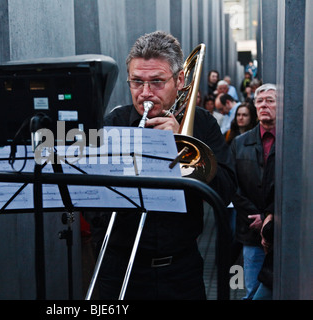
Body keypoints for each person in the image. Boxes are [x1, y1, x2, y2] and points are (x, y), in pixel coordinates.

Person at [90, 30, 237, 300]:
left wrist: (182, 144)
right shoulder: (114, 124)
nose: (145, 93)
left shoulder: (203, 124)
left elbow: (226, 190)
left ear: (180, 80)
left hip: (181, 270)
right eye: (137, 82)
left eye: (157, 82)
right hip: (122, 269)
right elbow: (90, 199)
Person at [231, 83, 276, 300]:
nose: (264, 105)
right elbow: (233, 186)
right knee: (251, 291)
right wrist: (256, 217)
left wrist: (270, 215)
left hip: (281, 232)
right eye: (260, 101)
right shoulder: (239, 143)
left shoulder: (293, 141)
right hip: (251, 231)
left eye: (270, 100)